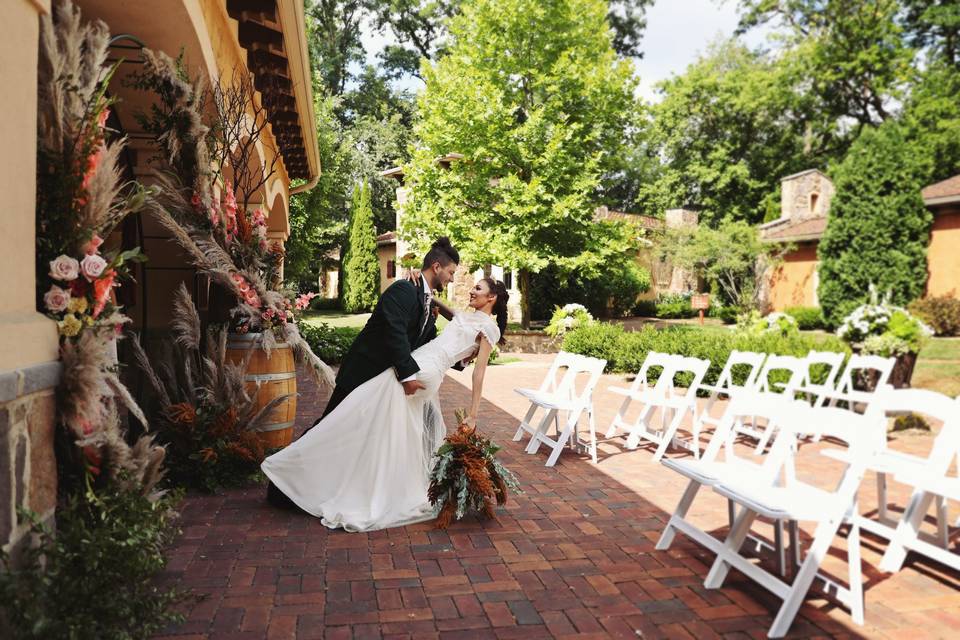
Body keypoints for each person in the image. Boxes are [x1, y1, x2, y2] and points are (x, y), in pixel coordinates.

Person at [263, 261, 510, 532]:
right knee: (381, 426)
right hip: (421, 365)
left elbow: (479, 374)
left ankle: (314, 477)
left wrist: (473, 414)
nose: (470, 291)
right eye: (456, 276)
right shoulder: (466, 316)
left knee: (357, 413)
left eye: (478, 288)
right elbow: (436, 308)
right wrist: (421, 281)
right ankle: (354, 480)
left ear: (492, 297)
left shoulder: (489, 328)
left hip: (422, 370)